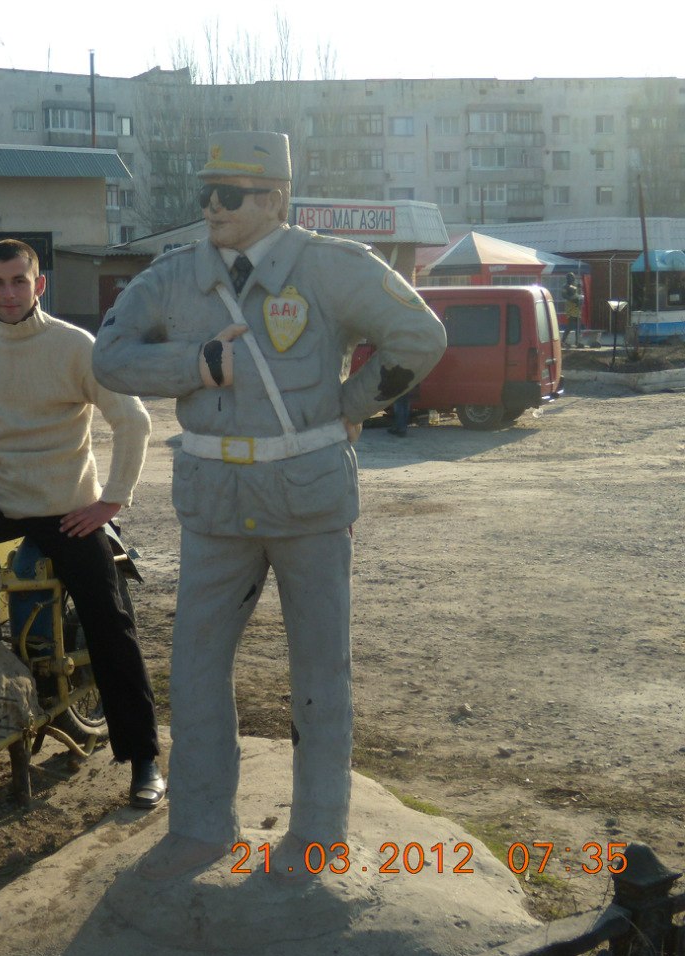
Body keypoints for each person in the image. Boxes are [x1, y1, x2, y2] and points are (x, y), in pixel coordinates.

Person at [92, 131, 446, 879]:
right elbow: (110, 356)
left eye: (229, 195)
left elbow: (419, 335)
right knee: (195, 666)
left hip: (307, 496)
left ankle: (317, 832)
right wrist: (196, 364)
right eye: (205, 194)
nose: (211, 208)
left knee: (320, 669)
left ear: (276, 200)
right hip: (215, 501)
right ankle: (199, 825)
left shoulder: (331, 267)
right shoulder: (175, 277)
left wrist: (347, 406)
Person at [0, 238, 165, 809]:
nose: (9, 293)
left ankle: (143, 758)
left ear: (39, 285)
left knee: (109, 621)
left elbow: (134, 421)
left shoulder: (75, 346)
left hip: (68, 511)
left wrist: (111, 502)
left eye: (20, 280)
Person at [562, 273, 584, 347]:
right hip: (570, 306)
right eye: (570, 277)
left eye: (573, 277)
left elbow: (579, 294)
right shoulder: (565, 286)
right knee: (570, 325)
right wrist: (572, 299)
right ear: (567, 278)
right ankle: (563, 341)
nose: (572, 279)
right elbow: (564, 295)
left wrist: (580, 301)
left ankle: (578, 341)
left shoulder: (576, 285)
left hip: (577, 306)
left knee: (578, 325)